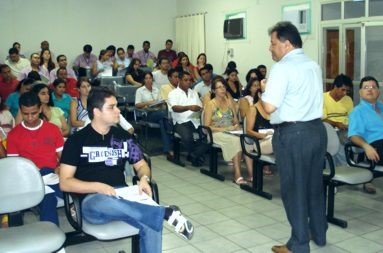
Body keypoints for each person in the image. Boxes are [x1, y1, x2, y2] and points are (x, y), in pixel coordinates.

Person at [59, 86, 194, 253]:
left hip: (122, 196)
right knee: (104, 201)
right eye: (112, 107)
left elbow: (141, 165)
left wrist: (144, 179)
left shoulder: (123, 137)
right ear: (97, 112)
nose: (118, 111)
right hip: (92, 201)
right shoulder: (76, 140)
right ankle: (164, 213)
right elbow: (65, 182)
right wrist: (98, 187)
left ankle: (159, 215)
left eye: (117, 106)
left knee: (151, 224)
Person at [261, 21, 327, 253]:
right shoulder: (313, 64)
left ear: (286, 44)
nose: (270, 48)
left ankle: (299, 245)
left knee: (294, 190)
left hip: (293, 135)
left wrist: (263, 89)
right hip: (317, 131)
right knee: (313, 186)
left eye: (272, 43)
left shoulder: (282, 68)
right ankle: (318, 233)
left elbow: (268, 106)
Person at [7, 91, 64, 225]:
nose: (30, 118)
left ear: (40, 109)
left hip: (52, 174)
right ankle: (52, 239)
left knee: (75, 190)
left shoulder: (53, 129)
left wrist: (60, 167)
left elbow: (63, 158)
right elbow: (14, 166)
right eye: (25, 114)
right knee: (48, 199)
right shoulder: (14, 135)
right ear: (20, 111)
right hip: (29, 177)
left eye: (34, 113)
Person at [203, 77, 253, 184]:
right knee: (235, 141)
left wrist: (238, 129)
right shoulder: (210, 104)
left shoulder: (229, 102)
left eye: (224, 86)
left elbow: (235, 120)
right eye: (219, 87)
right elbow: (206, 127)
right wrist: (226, 129)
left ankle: (251, 174)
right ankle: (237, 175)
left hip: (231, 132)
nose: (223, 89)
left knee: (246, 140)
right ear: (214, 90)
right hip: (215, 133)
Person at [348, 76, 383, 194]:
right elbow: (353, 135)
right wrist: (366, 147)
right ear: (360, 92)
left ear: (378, 91)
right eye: (366, 87)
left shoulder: (382, 107)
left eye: (373, 87)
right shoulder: (358, 111)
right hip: (375, 147)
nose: (370, 89)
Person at [167, 71, 209, 166]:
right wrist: (189, 107)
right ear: (179, 80)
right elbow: (174, 108)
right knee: (187, 137)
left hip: (195, 121)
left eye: (190, 80)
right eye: (186, 80)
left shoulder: (194, 93)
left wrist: (200, 109)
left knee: (208, 135)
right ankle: (195, 155)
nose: (188, 82)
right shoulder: (173, 93)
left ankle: (194, 154)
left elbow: (199, 106)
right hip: (180, 122)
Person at [135, 72, 172, 157]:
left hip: (158, 113)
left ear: (152, 79)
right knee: (165, 115)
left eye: (150, 78)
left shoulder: (156, 90)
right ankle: (172, 135)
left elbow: (161, 102)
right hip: (147, 114)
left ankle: (168, 149)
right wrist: (149, 103)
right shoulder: (140, 90)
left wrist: (160, 103)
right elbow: (137, 105)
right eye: (146, 78)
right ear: (144, 80)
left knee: (163, 120)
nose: (148, 80)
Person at [244, 78, 273, 175]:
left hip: (271, 139)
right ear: (260, 95)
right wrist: (263, 136)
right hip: (259, 142)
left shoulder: (272, 109)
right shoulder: (253, 109)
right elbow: (248, 131)